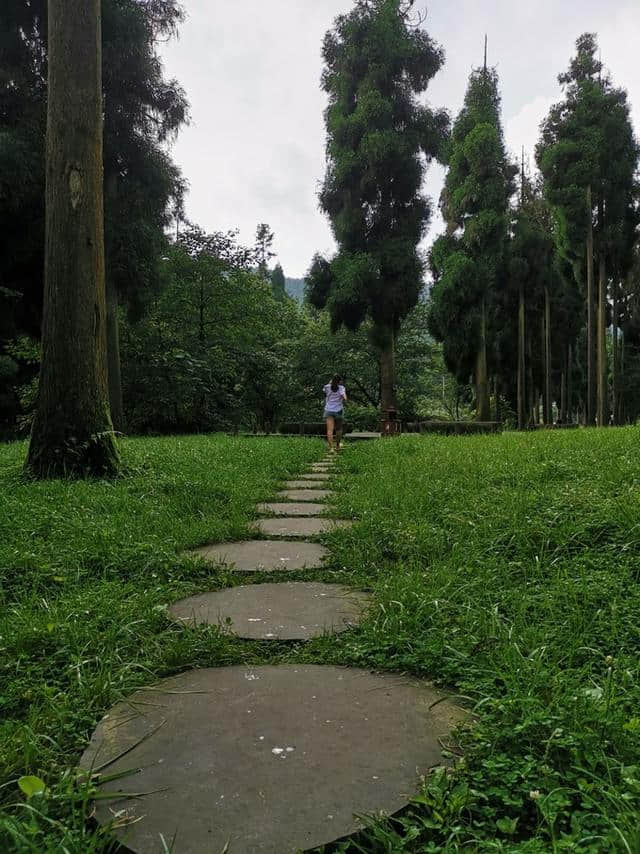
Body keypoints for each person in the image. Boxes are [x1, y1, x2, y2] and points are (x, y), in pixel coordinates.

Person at [323, 375, 347, 452]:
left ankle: (331, 448)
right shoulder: (341, 388)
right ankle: (337, 446)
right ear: (339, 382)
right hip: (338, 410)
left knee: (330, 430)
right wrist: (342, 398)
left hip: (328, 410)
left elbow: (325, 390)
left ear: (332, 380)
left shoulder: (327, 387)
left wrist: (330, 383)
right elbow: (345, 398)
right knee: (339, 429)